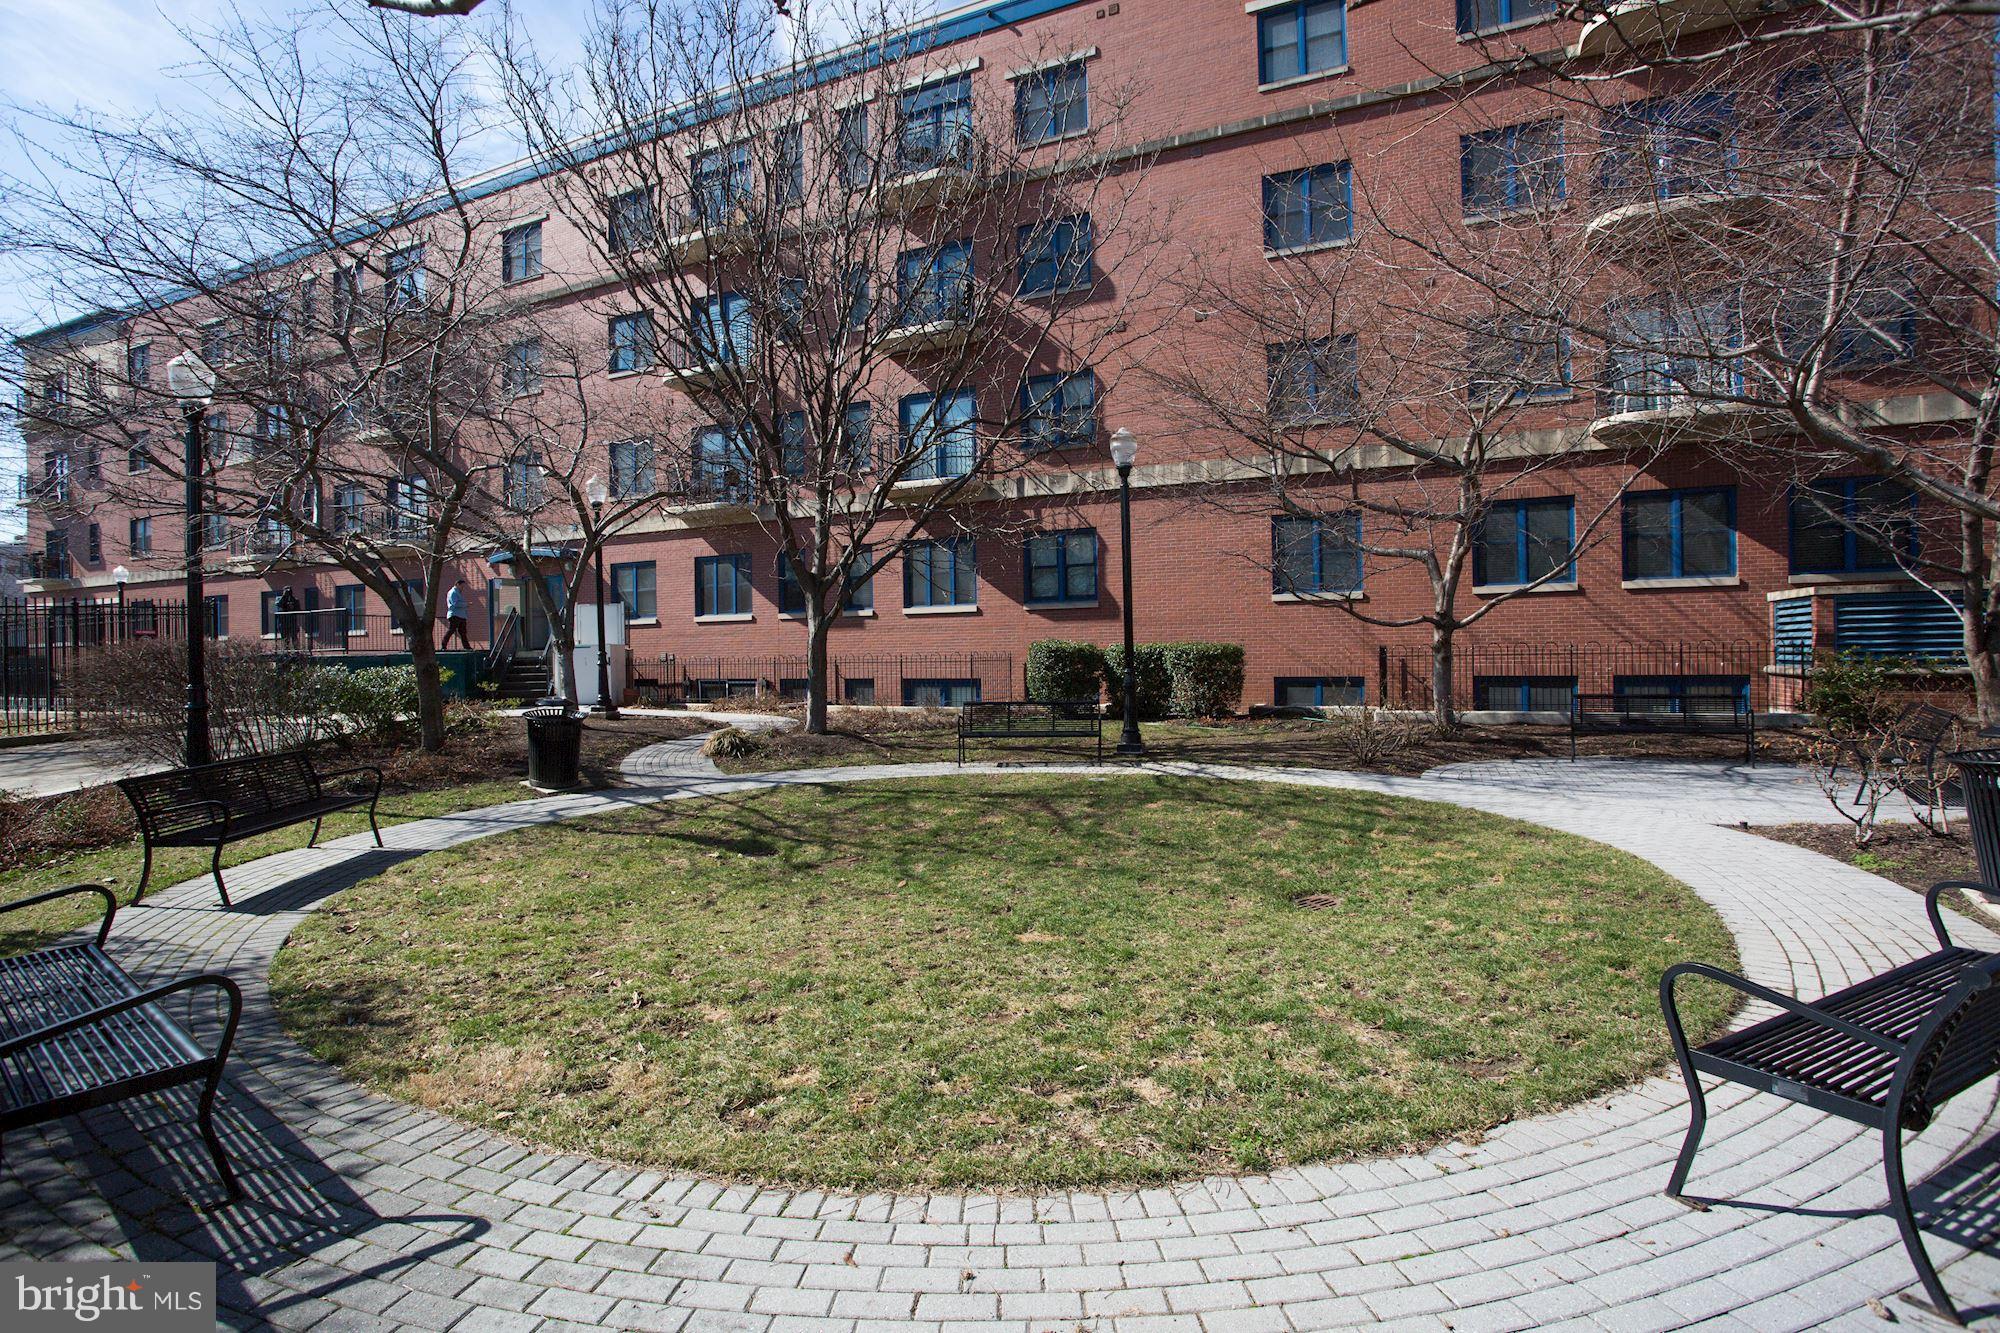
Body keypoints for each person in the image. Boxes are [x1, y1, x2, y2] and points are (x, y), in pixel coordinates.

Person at [441, 579, 471, 649]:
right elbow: (455, 603)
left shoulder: (457, 593)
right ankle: (443, 645)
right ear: (457, 584)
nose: (462, 588)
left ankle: (467, 647)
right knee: (452, 630)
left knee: (463, 632)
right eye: (462, 586)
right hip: (455, 615)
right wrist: (466, 604)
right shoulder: (453, 592)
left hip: (461, 615)